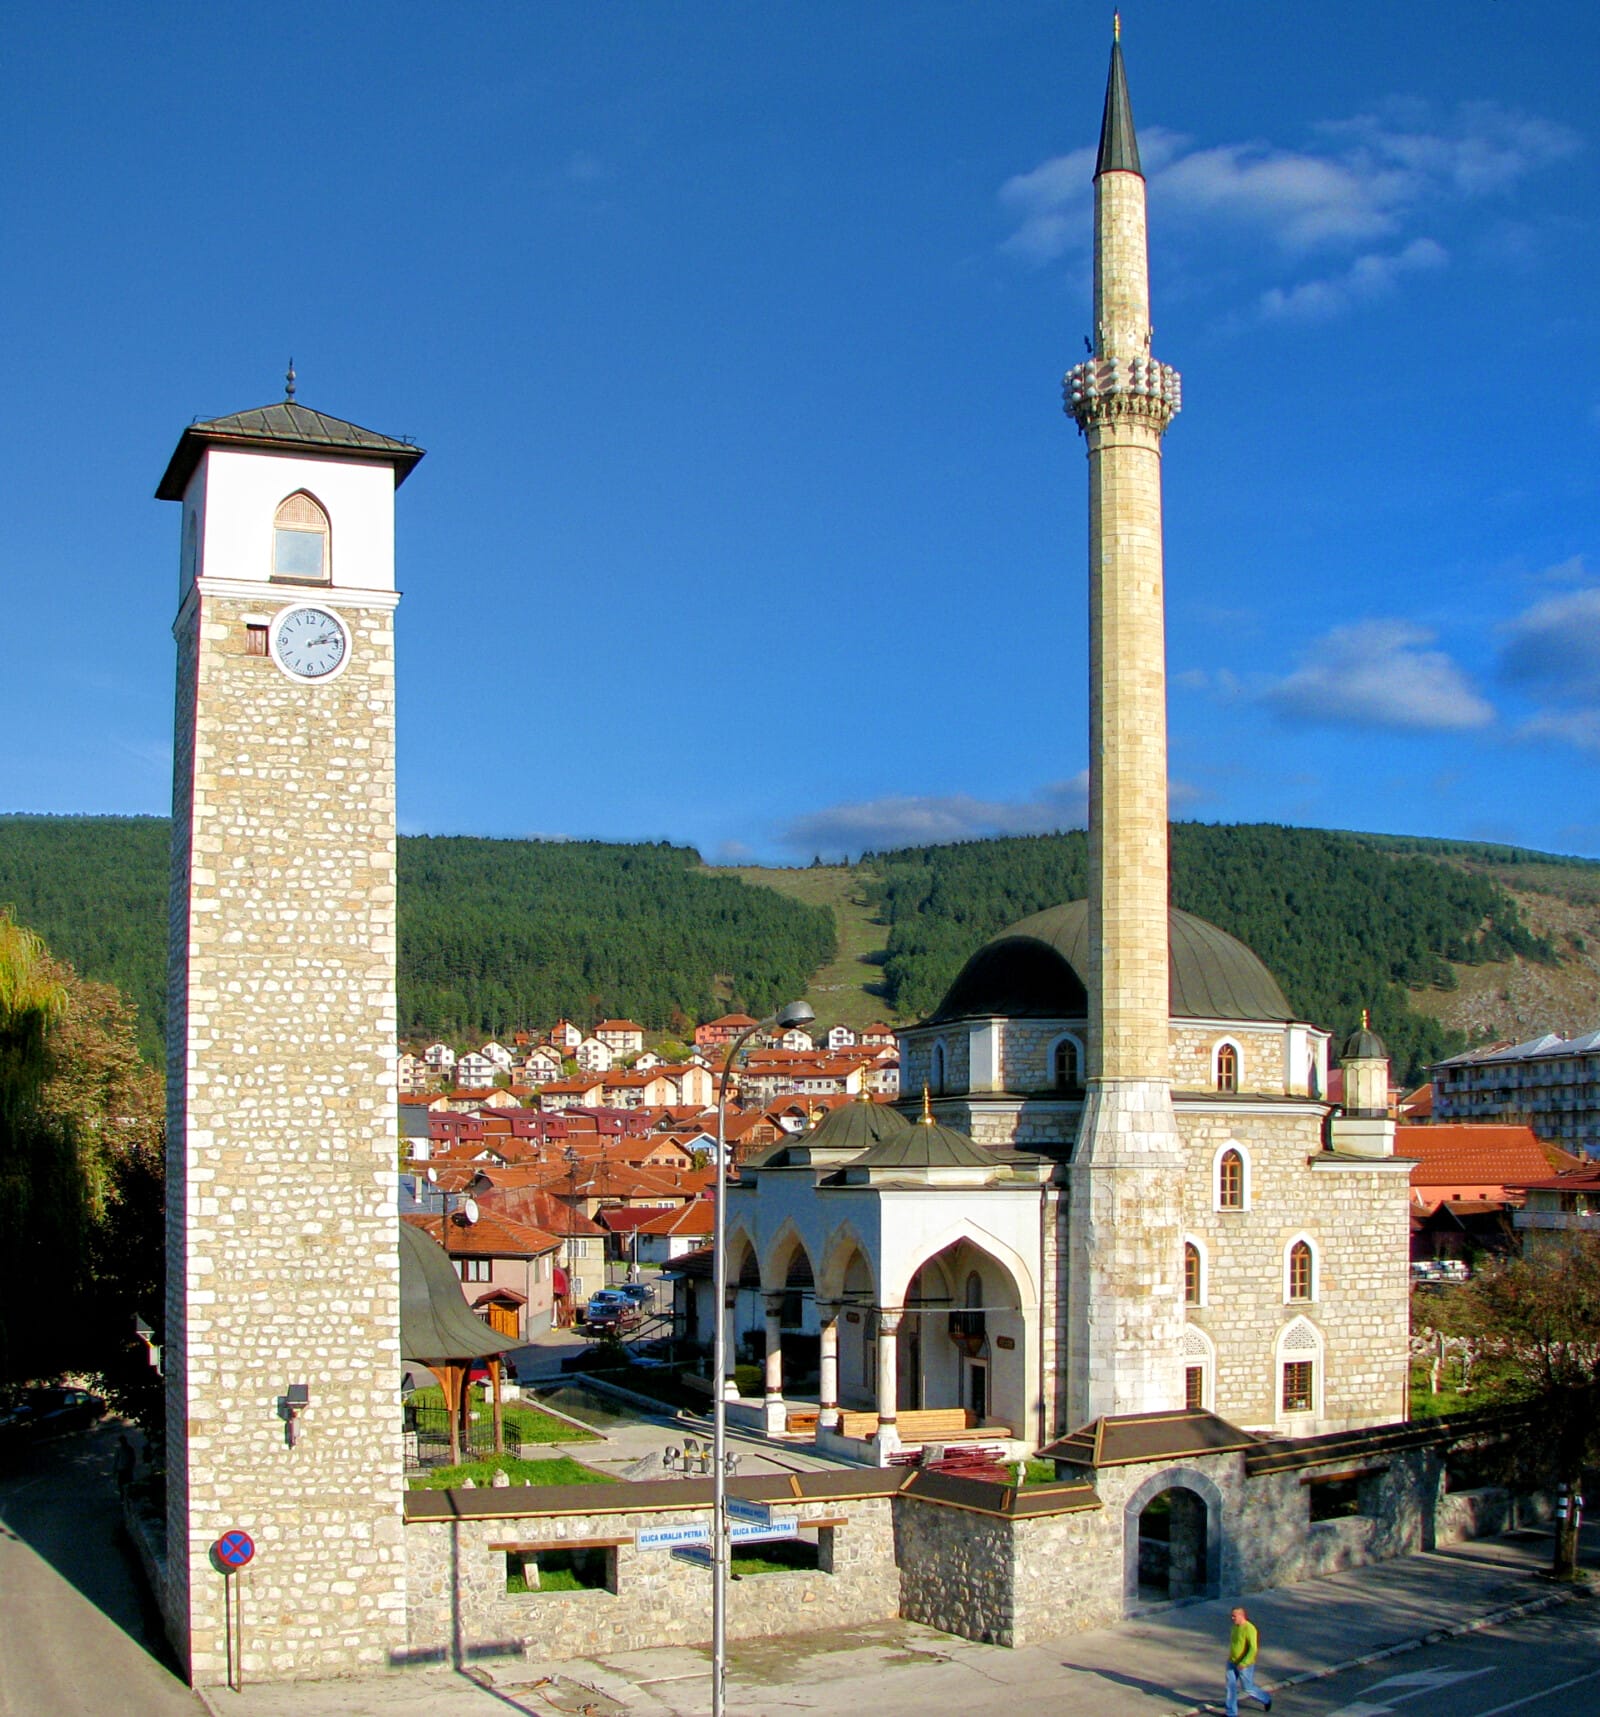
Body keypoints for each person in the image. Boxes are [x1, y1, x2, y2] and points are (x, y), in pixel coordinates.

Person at [1225, 1606, 1271, 1716]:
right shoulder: (1234, 1627)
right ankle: (1231, 1713)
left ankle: (1265, 1698)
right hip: (1232, 1662)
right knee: (1230, 1687)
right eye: (1231, 1616)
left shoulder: (1250, 1629)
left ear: (1241, 1616)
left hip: (1245, 1665)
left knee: (1247, 1688)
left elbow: (1253, 1648)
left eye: (1234, 1616)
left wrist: (1244, 1663)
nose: (1232, 1618)